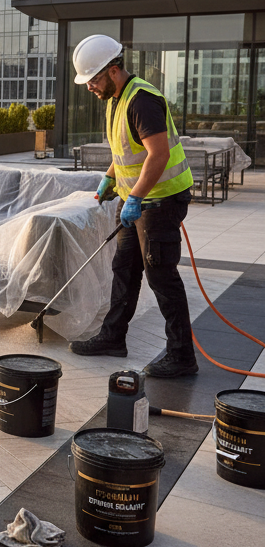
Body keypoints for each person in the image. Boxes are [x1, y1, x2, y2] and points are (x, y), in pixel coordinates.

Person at [68, 34, 197, 378]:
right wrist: (110, 179)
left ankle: (182, 356)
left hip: (162, 200)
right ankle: (113, 338)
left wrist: (136, 197)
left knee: (161, 275)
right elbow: (126, 150)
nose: (90, 87)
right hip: (136, 200)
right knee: (124, 267)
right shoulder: (116, 99)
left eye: (93, 79)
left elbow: (159, 155)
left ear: (113, 70)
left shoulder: (142, 100)